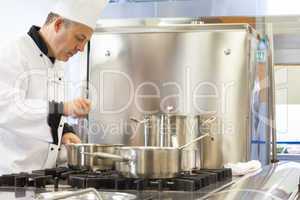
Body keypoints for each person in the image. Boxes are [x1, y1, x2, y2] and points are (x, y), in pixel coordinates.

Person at [0, 0, 107, 174]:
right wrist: (63, 108)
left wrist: (65, 132)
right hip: (9, 177)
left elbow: (43, 108)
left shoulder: (57, 62)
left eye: (85, 42)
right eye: (79, 38)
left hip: (40, 178)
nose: (81, 48)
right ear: (58, 24)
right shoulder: (13, 53)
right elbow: (6, 108)